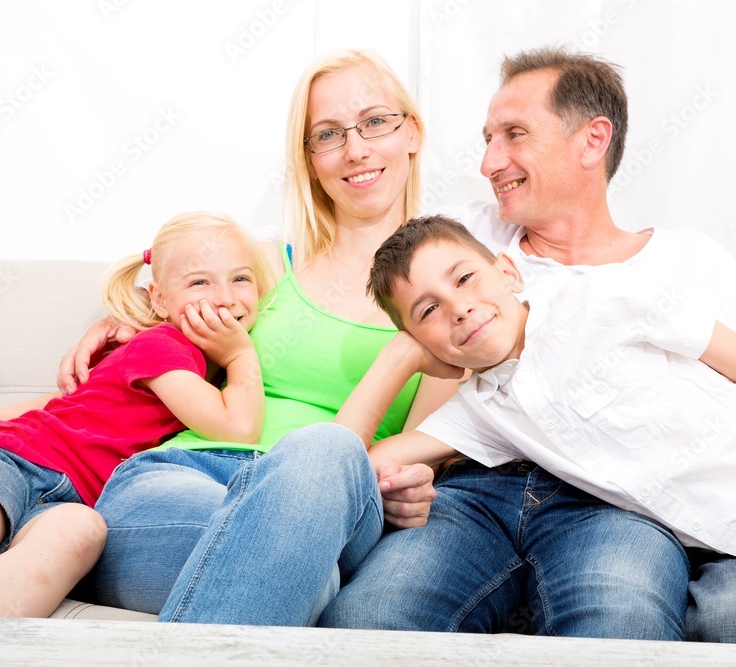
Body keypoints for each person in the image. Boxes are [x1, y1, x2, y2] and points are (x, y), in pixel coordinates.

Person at [324, 46, 736, 649]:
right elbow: (370, 447)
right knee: (731, 621)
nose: (489, 162)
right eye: (487, 138)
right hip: (707, 537)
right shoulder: (470, 244)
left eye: (514, 135)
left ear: (593, 141)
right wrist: (405, 360)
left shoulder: (656, 276)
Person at [58, 49, 455, 627]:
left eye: (374, 122)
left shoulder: (447, 298)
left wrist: (405, 482)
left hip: (332, 508)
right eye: (328, 134)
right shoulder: (262, 266)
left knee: (325, 452)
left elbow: (414, 456)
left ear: (412, 132)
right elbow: (158, 328)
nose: (356, 149)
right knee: (310, 578)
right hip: (183, 480)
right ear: (311, 159)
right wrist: (123, 319)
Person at [0, 211, 269, 618]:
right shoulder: (164, 346)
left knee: (79, 536)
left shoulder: (168, 349)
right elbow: (239, 427)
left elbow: (68, 401)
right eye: (199, 282)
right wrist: (240, 353)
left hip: (76, 501)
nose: (225, 297)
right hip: (12, 461)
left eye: (240, 279)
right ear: (159, 298)